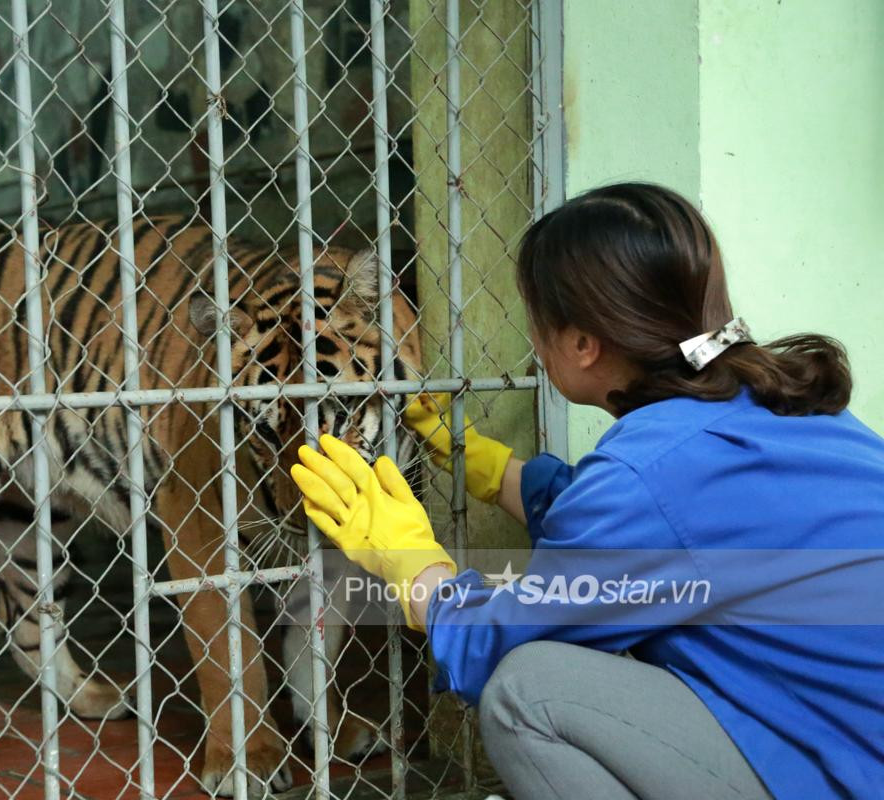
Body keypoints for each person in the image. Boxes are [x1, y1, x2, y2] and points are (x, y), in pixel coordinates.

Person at [290, 183, 884, 800]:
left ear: (580, 343)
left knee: (529, 689)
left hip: (844, 773)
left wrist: (411, 562)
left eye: (537, 321)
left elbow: (488, 645)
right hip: (852, 743)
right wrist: (487, 467)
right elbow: (662, 534)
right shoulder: (797, 409)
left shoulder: (645, 475)